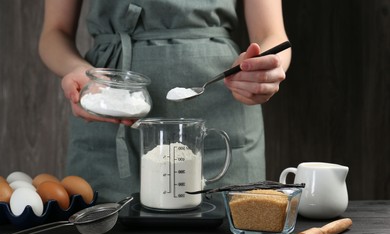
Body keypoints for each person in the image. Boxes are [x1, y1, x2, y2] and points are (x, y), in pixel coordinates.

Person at [39, 0, 291, 202]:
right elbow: (54, 33)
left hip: (221, 116)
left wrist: (261, 71)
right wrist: (79, 72)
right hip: (108, 109)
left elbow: (272, 35)